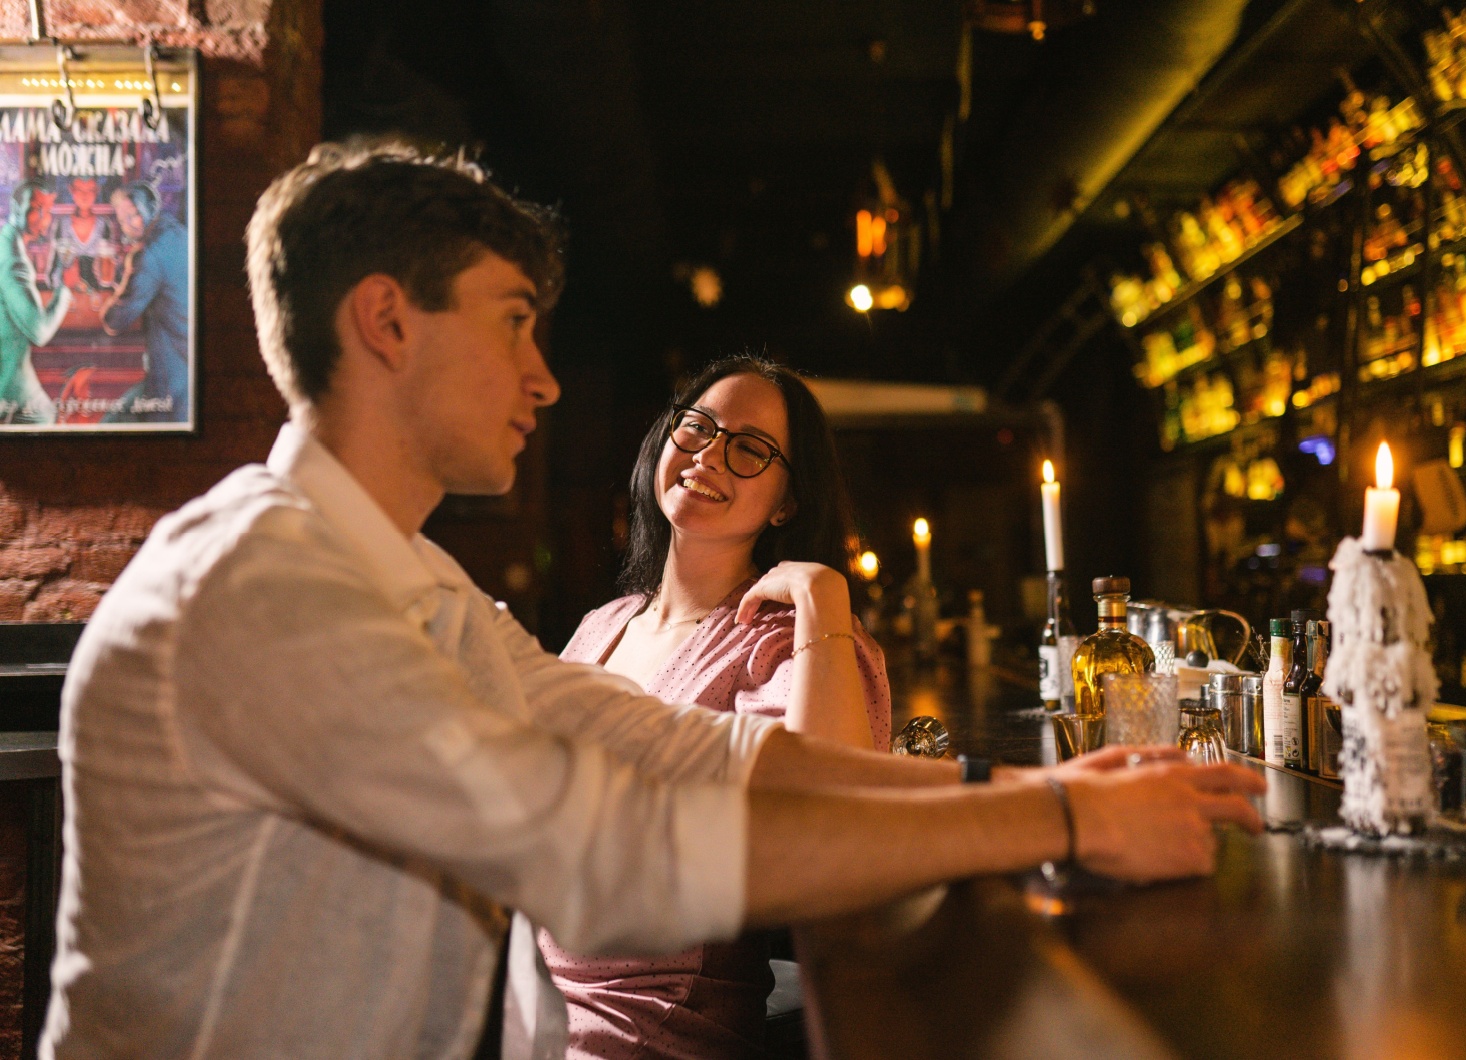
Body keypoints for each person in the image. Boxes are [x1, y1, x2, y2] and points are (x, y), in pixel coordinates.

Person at [44, 140, 1266, 1060]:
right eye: (515, 324)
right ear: (386, 321)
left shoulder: (410, 579)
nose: (546, 378)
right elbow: (603, 847)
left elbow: (682, 745)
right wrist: (1056, 820)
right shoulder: (266, 585)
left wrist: (1021, 787)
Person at [525, 355, 891, 1059]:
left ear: (788, 501)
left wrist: (825, 596)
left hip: (644, 1023)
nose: (710, 455)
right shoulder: (605, 623)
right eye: (697, 428)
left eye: (750, 448)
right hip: (528, 995)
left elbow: (837, 814)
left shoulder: (788, 640)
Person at [100, 181, 189, 423]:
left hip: (170, 381)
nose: (128, 225)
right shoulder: (179, 233)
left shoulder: (147, 253)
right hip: (185, 367)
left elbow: (114, 320)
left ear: (152, 208)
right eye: (122, 220)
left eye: (135, 215)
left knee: (107, 428)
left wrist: (121, 284)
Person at [0, 180, 72, 425]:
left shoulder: (6, 243)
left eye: (48, 211)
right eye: (35, 208)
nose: (43, 218)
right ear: (15, 207)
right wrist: (65, 289)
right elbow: (39, 332)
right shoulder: (12, 260)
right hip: (10, 386)